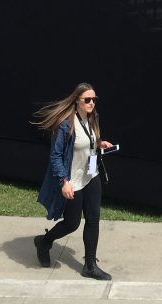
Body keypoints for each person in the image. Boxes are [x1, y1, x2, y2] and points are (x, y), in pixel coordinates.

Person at [32, 83, 113, 280]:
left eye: (94, 99)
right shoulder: (65, 124)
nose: (91, 103)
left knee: (93, 220)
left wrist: (99, 143)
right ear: (77, 100)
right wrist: (63, 181)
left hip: (91, 175)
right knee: (72, 223)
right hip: (73, 181)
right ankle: (45, 241)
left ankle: (90, 266)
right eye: (87, 100)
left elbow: (90, 140)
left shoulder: (93, 117)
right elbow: (56, 156)